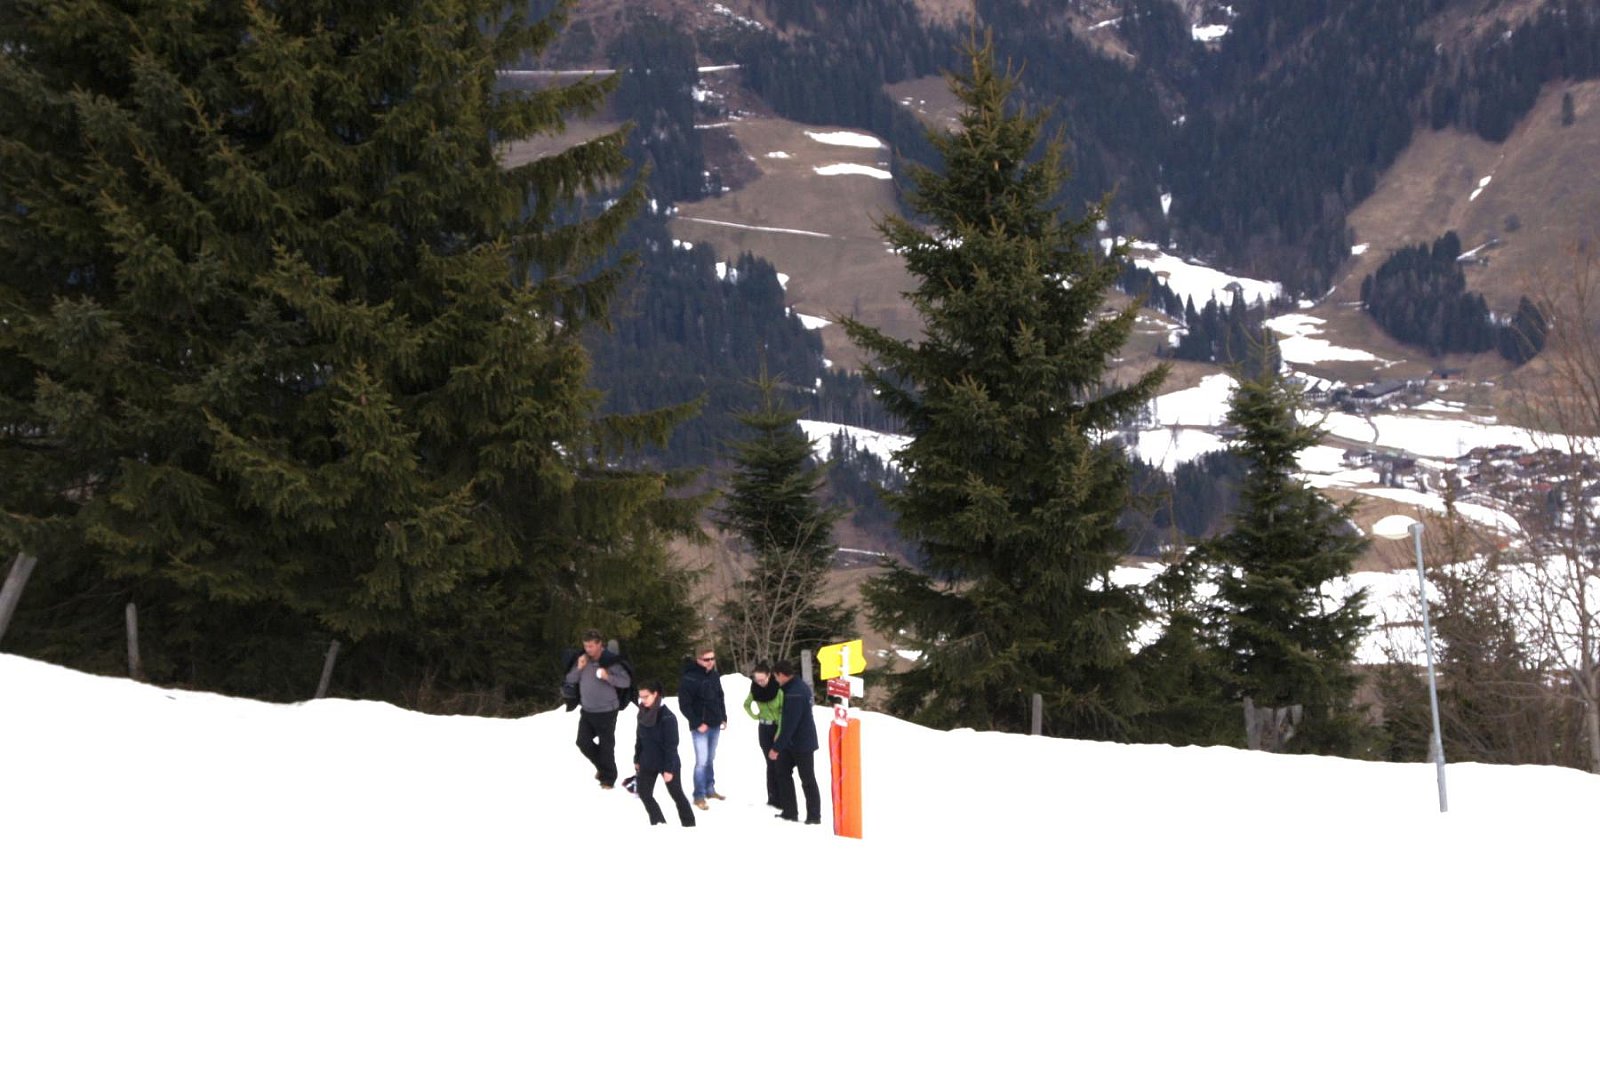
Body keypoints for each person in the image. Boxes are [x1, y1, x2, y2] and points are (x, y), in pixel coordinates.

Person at [564, 629, 631, 789]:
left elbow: (626, 682)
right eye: (586, 646)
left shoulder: (610, 660)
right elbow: (570, 679)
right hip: (587, 710)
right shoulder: (582, 659)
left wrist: (608, 677)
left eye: (591, 646)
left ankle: (608, 779)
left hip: (607, 710)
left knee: (606, 746)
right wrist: (579, 667)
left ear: (600, 644)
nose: (588, 649)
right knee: (583, 742)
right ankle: (603, 768)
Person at [632, 682, 695, 827]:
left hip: (667, 761)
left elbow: (671, 746)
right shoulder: (642, 713)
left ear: (655, 694)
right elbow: (639, 738)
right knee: (644, 793)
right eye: (641, 697)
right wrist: (637, 758)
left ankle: (689, 825)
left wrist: (668, 769)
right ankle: (659, 824)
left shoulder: (668, 717)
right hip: (647, 760)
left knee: (676, 794)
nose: (643, 700)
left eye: (646, 696)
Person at [769, 659, 821, 824]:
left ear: (782, 675)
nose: (776, 680)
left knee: (807, 779)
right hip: (791, 743)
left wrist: (776, 748)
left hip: (802, 743)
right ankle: (790, 811)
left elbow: (790, 724)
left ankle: (814, 816)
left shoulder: (794, 693)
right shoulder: (795, 687)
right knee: (783, 773)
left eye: (776, 677)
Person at [678, 642, 728, 810]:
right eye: (707, 659)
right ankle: (698, 795)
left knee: (710, 758)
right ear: (698, 659)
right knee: (701, 761)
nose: (710, 662)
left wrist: (723, 717)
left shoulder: (714, 675)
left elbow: (720, 697)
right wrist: (697, 723)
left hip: (715, 723)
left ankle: (709, 789)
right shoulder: (689, 678)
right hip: (700, 727)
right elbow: (684, 705)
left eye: (712, 659)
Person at [743, 661, 784, 809]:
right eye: (757, 680)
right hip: (764, 729)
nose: (760, 683)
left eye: (762, 680)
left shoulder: (778, 689)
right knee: (770, 763)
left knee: (779, 763)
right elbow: (746, 704)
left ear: (769, 676)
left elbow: (782, 711)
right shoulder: (755, 689)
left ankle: (782, 798)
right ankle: (772, 798)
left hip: (777, 727)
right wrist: (755, 716)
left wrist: (779, 732)